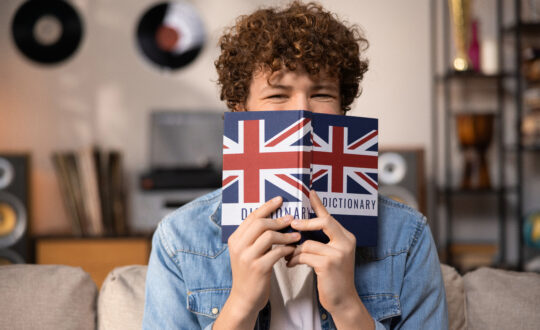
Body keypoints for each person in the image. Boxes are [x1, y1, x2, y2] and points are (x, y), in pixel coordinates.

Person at [142, 2, 448, 329]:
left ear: (342, 111)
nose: (303, 113)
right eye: (277, 95)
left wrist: (346, 306)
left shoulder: (406, 235)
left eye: (321, 94)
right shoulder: (179, 239)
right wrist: (241, 303)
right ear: (241, 111)